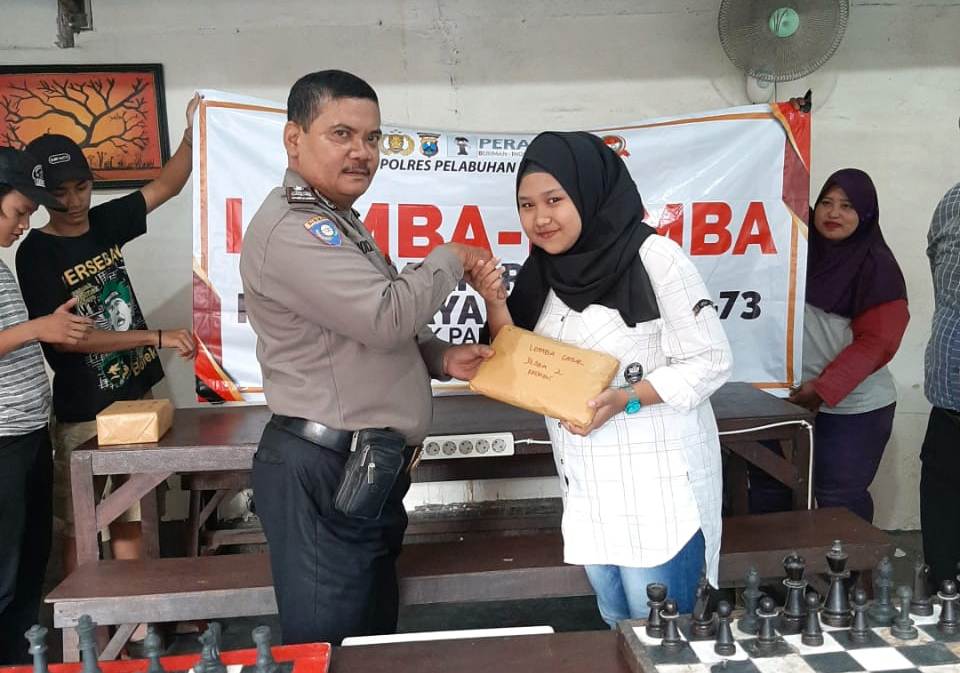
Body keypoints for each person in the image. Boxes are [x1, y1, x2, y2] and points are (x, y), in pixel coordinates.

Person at [239, 70, 493, 645]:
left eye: (372, 137)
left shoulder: (336, 219)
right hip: (326, 472)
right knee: (331, 647)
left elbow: (360, 329)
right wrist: (450, 257)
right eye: (342, 134)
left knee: (371, 641)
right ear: (293, 139)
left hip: (362, 471)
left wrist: (440, 358)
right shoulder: (296, 229)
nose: (362, 152)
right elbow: (386, 317)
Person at [468, 131, 732, 623]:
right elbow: (517, 361)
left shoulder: (656, 258)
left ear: (590, 193)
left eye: (554, 200)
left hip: (658, 491)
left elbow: (710, 361)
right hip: (589, 492)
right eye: (527, 205)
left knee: (663, 637)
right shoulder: (545, 270)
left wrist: (625, 399)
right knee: (616, 625)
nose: (540, 218)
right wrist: (495, 301)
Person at [14, 95, 200, 575]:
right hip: (84, 409)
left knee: (133, 515)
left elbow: (167, 185)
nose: (75, 202)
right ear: (39, 197)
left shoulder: (104, 222)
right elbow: (66, 339)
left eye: (82, 187)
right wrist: (153, 337)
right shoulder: (35, 253)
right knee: (82, 523)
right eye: (61, 193)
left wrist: (189, 133)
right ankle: (83, 621)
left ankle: (135, 613)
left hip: (135, 395)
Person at [750, 169, 910, 523]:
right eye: (826, 202)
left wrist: (824, 389)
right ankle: (785, 562)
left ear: (866, 213)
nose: (833, 213)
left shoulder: (877, 268)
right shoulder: (796, 247)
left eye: (847, 206)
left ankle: (845, 563)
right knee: (769, 490)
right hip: (784, 398)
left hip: (852, 408)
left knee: (838, 497)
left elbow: (878, 342)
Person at [0, 148, 92, 664]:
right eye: (18, 212)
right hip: (3, 443)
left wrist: (48, 325)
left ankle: (20, 657)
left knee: (32, 559)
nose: (24, 226)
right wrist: (39, 327)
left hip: (28, 433)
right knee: (6, 568)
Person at [920, 180, 960, 588]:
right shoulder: (953, 201)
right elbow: (938, 269)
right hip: (948, 393)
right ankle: (943, 593)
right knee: (943, 506)